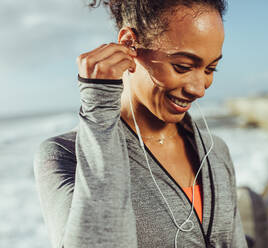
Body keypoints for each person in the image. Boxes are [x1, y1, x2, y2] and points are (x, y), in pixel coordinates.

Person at [33, 0, 248, 247]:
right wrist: (100, 108)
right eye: (182, 67)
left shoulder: (216, 150)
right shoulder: (64, 155)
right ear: (129, 44)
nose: (199, 89)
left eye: (211, 69)